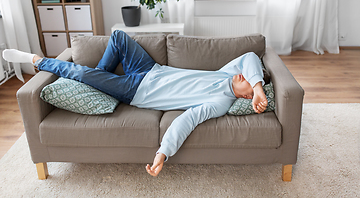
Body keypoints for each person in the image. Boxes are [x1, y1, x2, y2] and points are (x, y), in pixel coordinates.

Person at [2, 30, 269, 177]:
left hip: (136, 90)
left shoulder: (220, 103)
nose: (243, 75)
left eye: (247, 82)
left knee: (82, 73)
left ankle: (36, 60)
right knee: (118, 36)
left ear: (244, 97)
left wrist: (162, 153)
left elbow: (185, 122)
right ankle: (99, 81)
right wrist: (257, 88)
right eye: (249, 78)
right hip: (150, 69)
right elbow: (249, 56)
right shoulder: (228, 73)